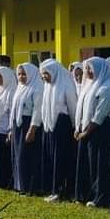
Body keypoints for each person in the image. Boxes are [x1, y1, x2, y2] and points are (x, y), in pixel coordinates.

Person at [73, 56, 110, 208]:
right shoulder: (89, 86)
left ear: (100, 69)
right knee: (87, 163)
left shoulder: (106, 88)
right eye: (86, 68)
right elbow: (82, 110)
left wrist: (86, 131)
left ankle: (101, 197)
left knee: (99, 164)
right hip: (86, 130)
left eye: (90, 68)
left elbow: (100, 114)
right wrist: (78, 128)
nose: (87, 72)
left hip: (101, 130)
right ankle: (86, 194)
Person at [38, 59, 78, 203]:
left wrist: (75, 126)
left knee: (60, 159)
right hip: (49, 126)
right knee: (50, 158)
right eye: (42, 74)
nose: (44, 77)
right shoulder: (48, 86)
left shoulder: (66, 84)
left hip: (62, 125)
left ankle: (61, 190)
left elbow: (73, 107)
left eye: (46, 74)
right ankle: (52, 188)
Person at [11, 63, 45, 196]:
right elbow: (14, 109)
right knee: (18, 156)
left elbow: (37, 110)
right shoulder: (20, 88)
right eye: (19, 74)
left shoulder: (37, 87)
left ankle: (30, 187)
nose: (21, 77)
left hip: (29, 124)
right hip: (18, 125)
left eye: (24, 74)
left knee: (27, 156)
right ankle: (20, 185)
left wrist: (32, 128)